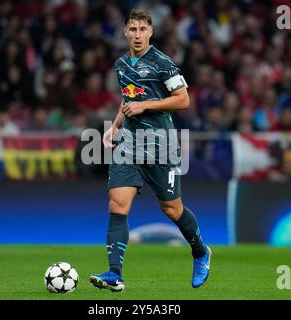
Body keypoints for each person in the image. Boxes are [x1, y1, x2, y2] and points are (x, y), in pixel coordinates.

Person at [89, 9, 212, 292]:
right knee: (117, 204)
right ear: (125, 32)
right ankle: (114, 274)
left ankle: (200, 252)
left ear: (151, 32)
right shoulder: (121, 65)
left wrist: (146, 106)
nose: (137, 34)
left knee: (172, 208)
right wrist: (115, 126)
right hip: (129, 144)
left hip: (162, 145)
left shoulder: (162, 63)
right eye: (132, 29)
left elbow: (183, 100)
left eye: (143, 29)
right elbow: (129, 97)